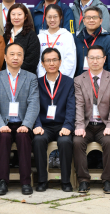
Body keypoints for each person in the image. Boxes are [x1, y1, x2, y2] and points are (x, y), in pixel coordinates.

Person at [0, 43, 39, 196]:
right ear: (5, 57)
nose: (15, 57)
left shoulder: (31, 77)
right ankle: (2, 182)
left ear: (23, 58)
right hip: (4, 123)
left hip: (22, 122)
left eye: (19, 54)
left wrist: (27, 124)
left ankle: (26, 182)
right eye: (12, 54)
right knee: (3, 137)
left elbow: (33, 103)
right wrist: (0, 125)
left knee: (23, 137)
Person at [73, 45, 110, 194]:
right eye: (91, 58)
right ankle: (83, 180)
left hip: (103, 125)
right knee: (77, 142)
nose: (95, 61)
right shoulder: (79, 80)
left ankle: (108, 180)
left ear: (104, 59)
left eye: (98, 58)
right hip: (87, 125)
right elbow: (79, 105)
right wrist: (80, 126)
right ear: (87, 59)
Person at [32, 48, 76, 193]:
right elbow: (33, 106)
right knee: (38, 140)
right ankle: (42, 180)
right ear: (42, 63)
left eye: (55, 60)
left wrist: (68, 125)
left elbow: (71, 107)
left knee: (65, 142)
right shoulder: (36, 83)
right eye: (48, 60)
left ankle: (66, 181)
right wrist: (37, 124)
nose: (52, 63)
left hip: (62, 125)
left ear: (60, 62)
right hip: (44, 125)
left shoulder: (69, 82)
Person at [75, 6, 110, 78]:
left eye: (95, 17)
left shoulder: (109, 41)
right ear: (84, 21)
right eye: (88, 18)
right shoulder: (77, 40)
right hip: (80, 82)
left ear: (101, 21)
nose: (91, 20)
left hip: (102, 82)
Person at [36, 4, 76, 78]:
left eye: (55, 16)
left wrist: (59, 78)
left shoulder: (67, 36)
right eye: (49, 17)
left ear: (61, 17)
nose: (52, 20)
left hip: (63, 79)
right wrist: (44, 78)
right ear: (45, 18)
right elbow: (38, 62)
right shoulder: (40, 37)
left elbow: (70, 61)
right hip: (43, 80)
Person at [3, 3, 41, 75]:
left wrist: (13, 72)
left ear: (25, 17)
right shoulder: (6, 35)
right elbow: (2, 59)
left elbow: (32, 61)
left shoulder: (31, 35)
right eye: (13, 14)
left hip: (25, 76)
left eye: (19, 14)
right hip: (6, 76)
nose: (16, 17)